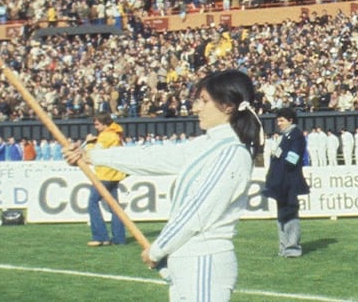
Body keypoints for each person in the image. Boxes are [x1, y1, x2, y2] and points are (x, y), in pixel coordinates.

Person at [68, 70, 259, 301]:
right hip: (187, 261)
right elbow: (154, 158)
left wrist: (158, 249)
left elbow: (197, 212)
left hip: (204, 261)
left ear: (228, 106)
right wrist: (93, 156)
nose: (196, 107)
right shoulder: (206, 144)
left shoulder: (232, 153)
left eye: (204, 101)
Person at [263, 108, 310, 258]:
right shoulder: (285, 136)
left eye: (281, 120)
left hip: (289, 182)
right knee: (282, 214)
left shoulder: (296, 136)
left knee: (290, 213)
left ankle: (292, 248)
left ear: (290, 120)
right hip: (280, 183)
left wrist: (280, 171)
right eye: (278, 120)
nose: (279, 123)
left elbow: (292, 160)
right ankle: (283, 248)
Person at [86, 113, 129, 247]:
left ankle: (100, 236)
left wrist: (89, 143)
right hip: (115, 175)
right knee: (114, 206)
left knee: (92, 202)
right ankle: (119, 238)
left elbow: (94, 154)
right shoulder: (116, 135)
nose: (95, 127)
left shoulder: (106, 136)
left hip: (105, 175)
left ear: (105, 124)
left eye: (97, 124)